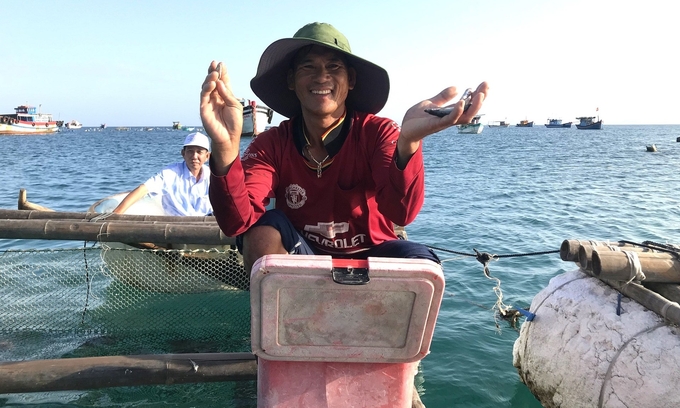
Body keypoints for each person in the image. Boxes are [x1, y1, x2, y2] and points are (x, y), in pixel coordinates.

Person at [200, 22, 489, 273]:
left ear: (350, 79)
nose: (321, 76)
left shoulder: (378, 132)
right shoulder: (271, 144)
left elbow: (402, 214)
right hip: (303, 260)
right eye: (308, 66)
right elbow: (237, 222)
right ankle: (283, 329)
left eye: (333, 66)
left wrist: (409, 142)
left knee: (422, 263)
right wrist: (225, 148)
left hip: (372, 258)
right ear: (291, 80)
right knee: (262, 229)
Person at [113, 132, 213, 216]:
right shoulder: (170, 173)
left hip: (205, 226)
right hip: (175, 228)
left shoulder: (212, 176)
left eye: (199, 152)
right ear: (183, 153)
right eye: (190, 151)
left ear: (207, 156)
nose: (194, 156)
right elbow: (143, 190)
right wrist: (116, 214)